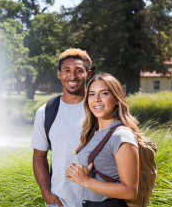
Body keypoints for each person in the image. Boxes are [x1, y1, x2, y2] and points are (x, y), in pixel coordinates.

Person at [65, 73, 144, 207]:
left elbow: (130, 191)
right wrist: (78, 173)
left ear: (117, 99)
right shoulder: (92, 133)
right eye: (91, 94)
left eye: (104, 93)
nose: (97, 99)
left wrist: (85, 181)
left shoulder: (120, 136)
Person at [31, 48, 92, 207]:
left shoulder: (99, 109)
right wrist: (47, 195)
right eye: (67, 71)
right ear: (59, 74)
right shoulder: (45, 112)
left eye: (79, 71)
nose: (72, 76)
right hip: (59, 203)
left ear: (88, 74)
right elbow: (39, 157)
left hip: (98, 202)